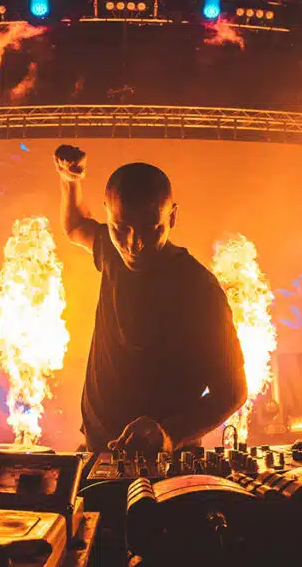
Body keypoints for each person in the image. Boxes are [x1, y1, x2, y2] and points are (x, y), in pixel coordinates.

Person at [53, 144, 247, 453]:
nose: (135, 244)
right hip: (98, 448)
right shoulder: (111, 251)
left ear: (173, 216)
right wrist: (70, 181)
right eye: (121, 228)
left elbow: (233, 392)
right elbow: (76, 226)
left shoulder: (199, 289)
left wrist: (168, 434)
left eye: (152, 228)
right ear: (107, 213)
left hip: (164, 461)